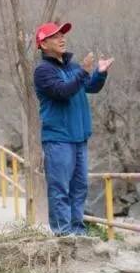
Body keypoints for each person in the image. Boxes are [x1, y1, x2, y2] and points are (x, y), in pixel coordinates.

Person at [34, 22, 113, 236]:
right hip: (58, 138)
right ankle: (63, 233)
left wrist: (99, 73)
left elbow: (90, 87)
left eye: (62, 35)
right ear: (43, 44)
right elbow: (62, 91)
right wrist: (83, 72)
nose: (62, 39)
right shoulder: (43, 71)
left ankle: (78, 232)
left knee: (79, 188)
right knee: (60, 188)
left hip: (79, 137)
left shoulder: (72, 67)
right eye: (55, 36)